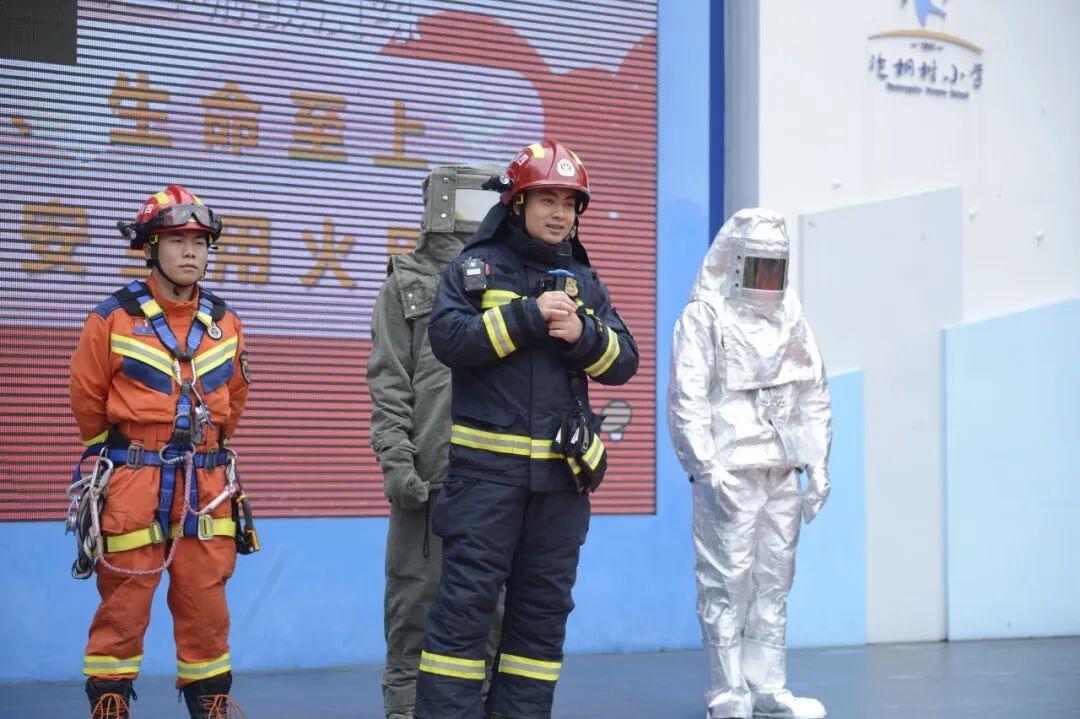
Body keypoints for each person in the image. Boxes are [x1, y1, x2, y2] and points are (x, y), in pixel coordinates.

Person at [413, 139, 639, 719]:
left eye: (569, 202)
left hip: (561, 488)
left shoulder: (584, 281)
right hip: (485, 483)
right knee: (462, 619)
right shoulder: (476, 268)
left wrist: (584, 336)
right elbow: (449, 340)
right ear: (516, 202)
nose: (559, 213)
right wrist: (527, 317)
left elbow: (624, 362)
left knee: (540, 625)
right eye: (546, 199)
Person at [69, 185, 256, 719]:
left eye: (199, 242)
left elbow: (234, 401)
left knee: (206, 601)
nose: (191, 252)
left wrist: (206, 453)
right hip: (134, 476)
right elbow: (87, 397)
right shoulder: (112, 318)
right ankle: (110, 702)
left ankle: (210, 703)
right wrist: (124, 457)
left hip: (207, 483)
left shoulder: (226, 322)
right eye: (177, 241)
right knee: (124, 599)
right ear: (150, 247)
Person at [668, 208, 832, 719]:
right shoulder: (704, 317)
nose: (767, 279)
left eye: (775, 267)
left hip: (781, 470)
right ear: (735, 262)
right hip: (730, 473)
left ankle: (768, 689)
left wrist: (818, 464)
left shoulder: (790, 314)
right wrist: (705, 465)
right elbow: (688, 398)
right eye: (758, 265)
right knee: (726, 582)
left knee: (774, 582)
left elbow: (813, 393)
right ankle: (728, 693)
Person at [368, 164, 505, 719]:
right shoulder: (406, 283)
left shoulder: (514, 281)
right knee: (415, 607)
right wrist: (398, 463)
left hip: (498, 481)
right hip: (428, 482)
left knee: (494, 615)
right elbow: (390, 382)